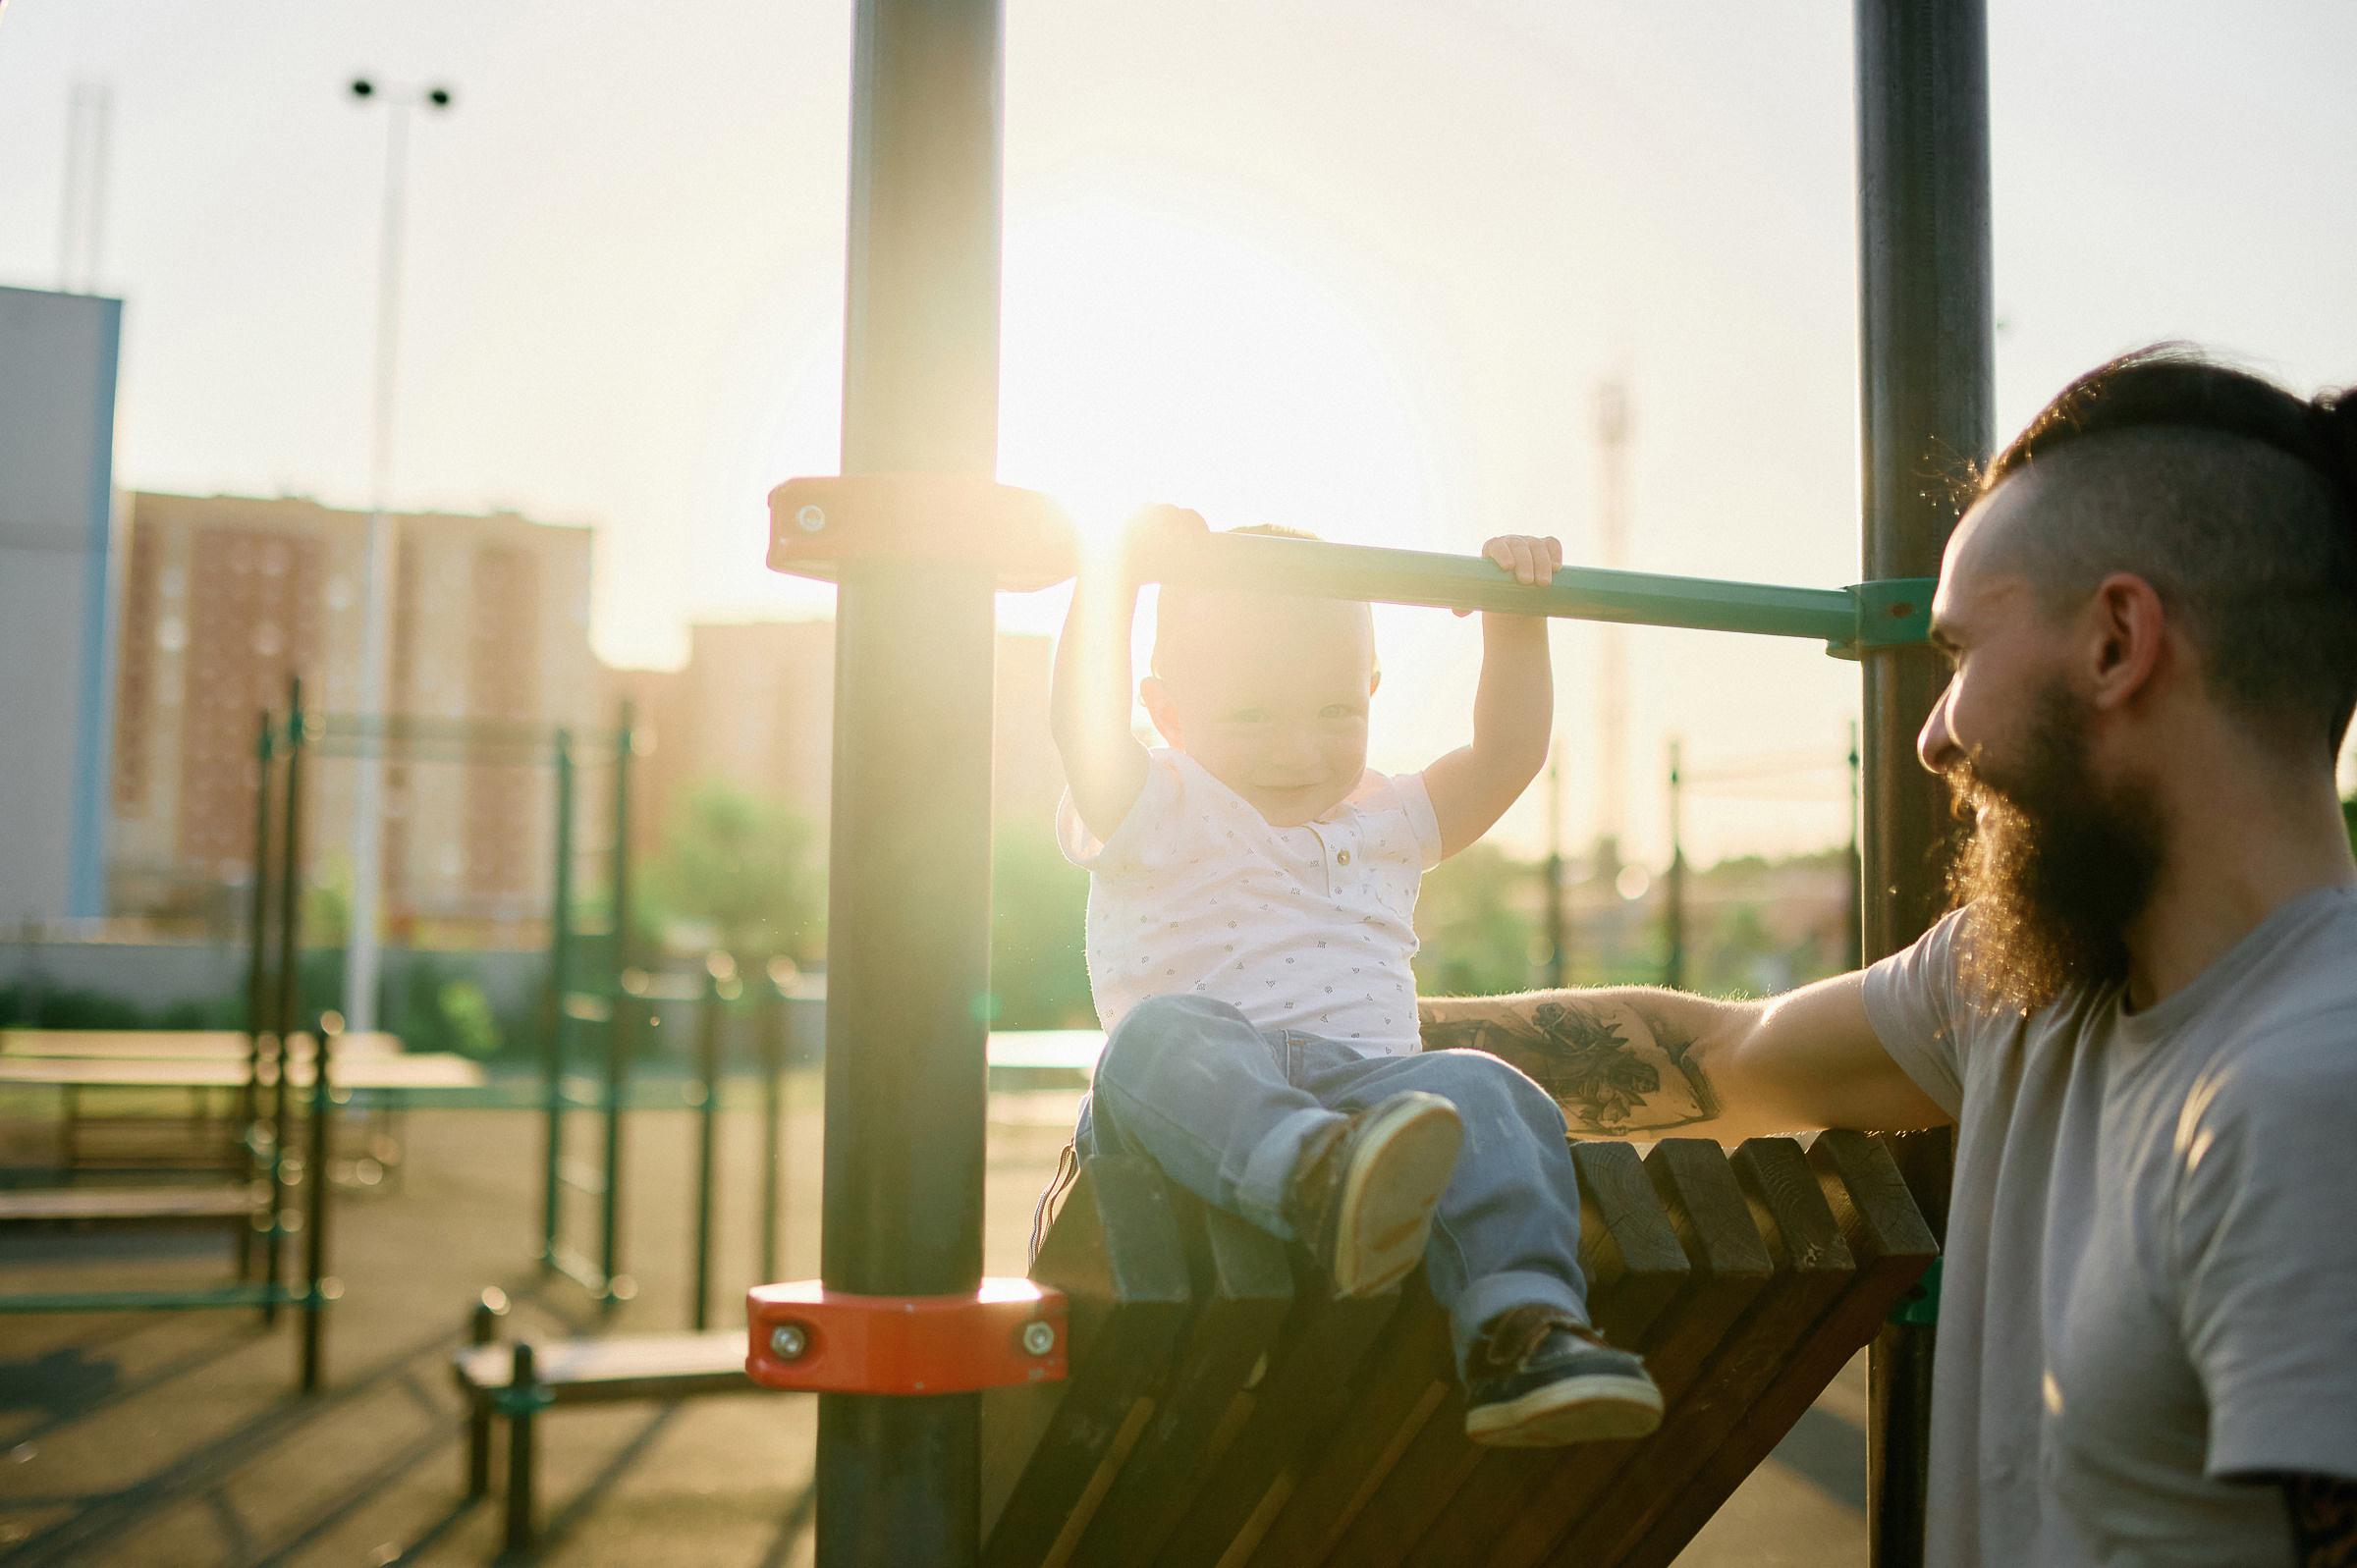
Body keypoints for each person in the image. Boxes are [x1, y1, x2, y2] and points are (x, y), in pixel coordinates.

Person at [1419, 347, 2357, 1565]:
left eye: (1963, 653)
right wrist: (1296, 1042)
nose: (1930, 732)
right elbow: (1720, 1053)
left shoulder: (2311, 1100)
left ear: (2119, 641)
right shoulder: (2019, 984)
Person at [1049, 514, 1663, 1446]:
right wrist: (1113, 575)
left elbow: (1507, 756)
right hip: (1198, 1108)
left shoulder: (1386, 815)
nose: (1298, 750)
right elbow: (1082, 726)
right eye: (1252, 714)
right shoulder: (1156, 801)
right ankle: (1312, 1177)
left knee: (1492, 1090)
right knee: (1158, 1036)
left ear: (1374, 690)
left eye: (1337, 712)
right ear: (1168, 712)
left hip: (1369, 1102)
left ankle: (1524, 1330)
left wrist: (1515, 616)